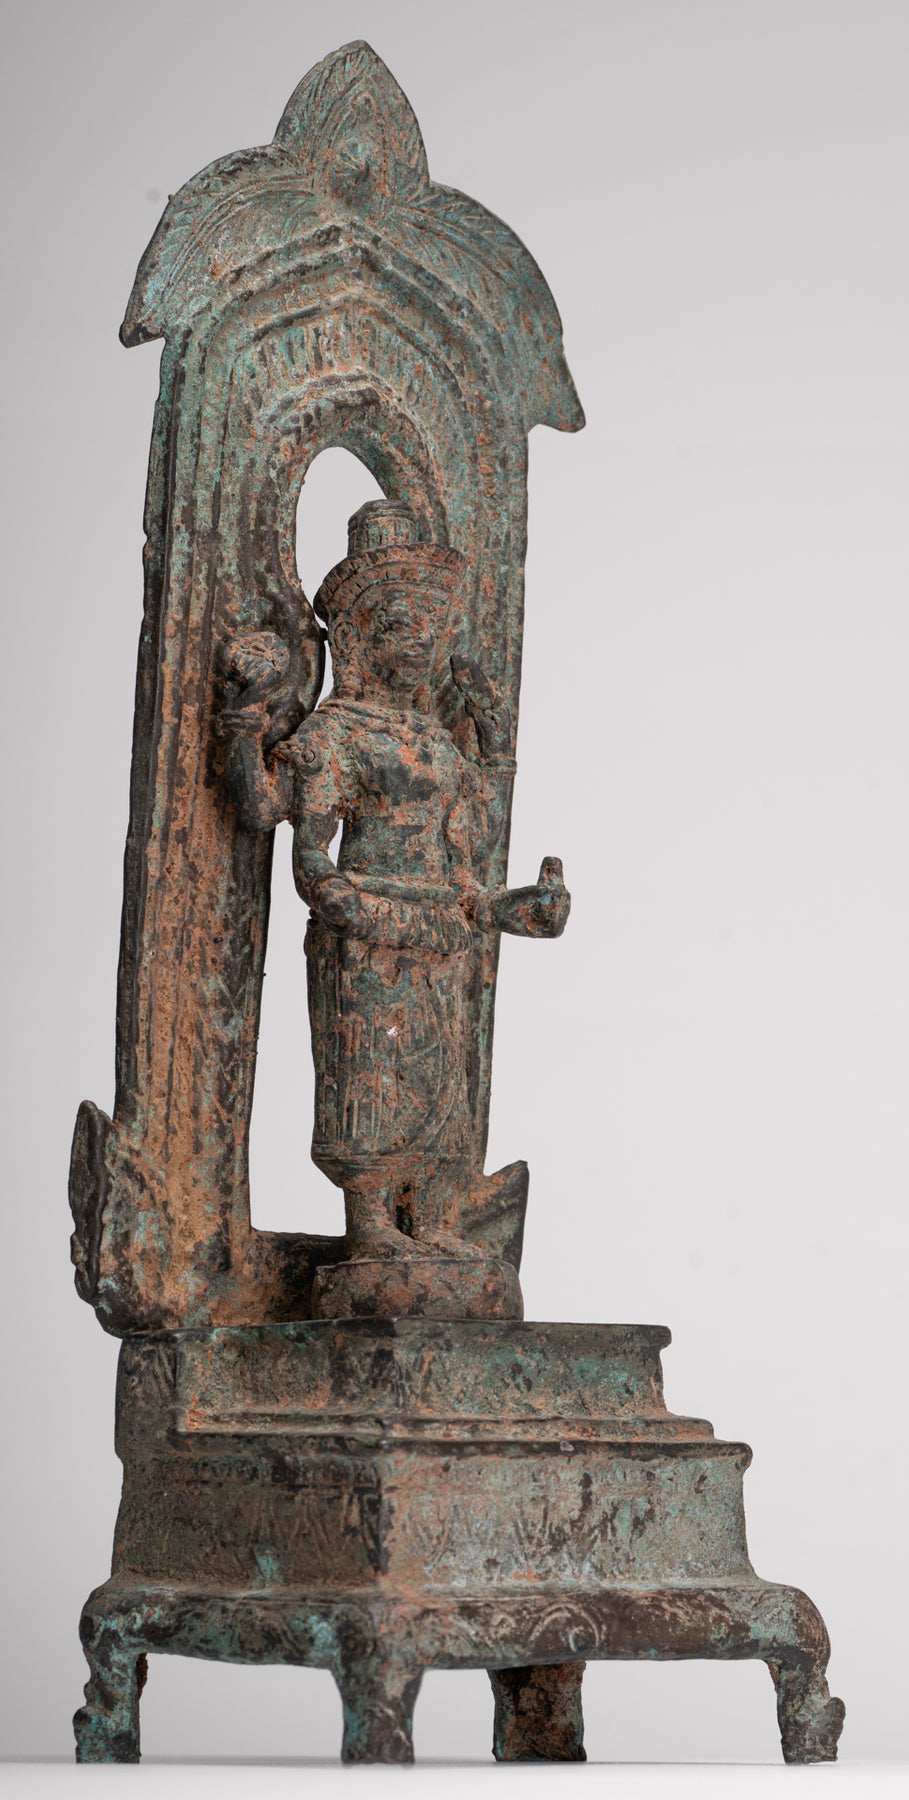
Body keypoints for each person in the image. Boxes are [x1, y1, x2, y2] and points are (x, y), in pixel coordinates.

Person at [221, 499, 569, 1262]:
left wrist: (514, 905)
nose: (416, 643)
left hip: (442, 930)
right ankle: (371, 1225)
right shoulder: (337, 731)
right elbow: (299, 843)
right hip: (365, 925)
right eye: (399, 627)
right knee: (368, 1072)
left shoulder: (436, 739)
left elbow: (470, 850)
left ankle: (425, 1217)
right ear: (357, 639)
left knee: (438, 1078)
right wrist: (246, 720)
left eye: (428, 629)